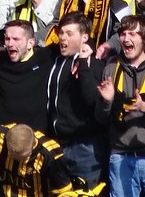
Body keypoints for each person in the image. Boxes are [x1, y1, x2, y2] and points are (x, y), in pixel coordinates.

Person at [98, 15, 145, 197]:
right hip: (121, 155)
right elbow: (100, 119)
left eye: (132, 34)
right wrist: (106, 101)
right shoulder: (110, 69)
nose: (126, 39)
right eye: (123, 34)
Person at [46, 13, 107, 184]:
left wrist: (83, 63)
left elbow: (92, 100)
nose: (63, 38)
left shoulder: (93, 63)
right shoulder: (54, 61)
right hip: (56, 144)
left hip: (85, 147)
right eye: (61, 33)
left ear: (84, 38)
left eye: (69, 34)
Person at [0, 123, 76, 197]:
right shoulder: (0, 136)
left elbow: (64, 191)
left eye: (19, 157)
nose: (13, 158)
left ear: (31, 147)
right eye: (10, 153)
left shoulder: (50, 154)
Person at [0, 20, 54, 131]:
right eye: (7, 39)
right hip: (2, 136)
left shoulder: (46, 57)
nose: (10, 44)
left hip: (35, 136)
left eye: (16, 39)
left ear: (31, 43)